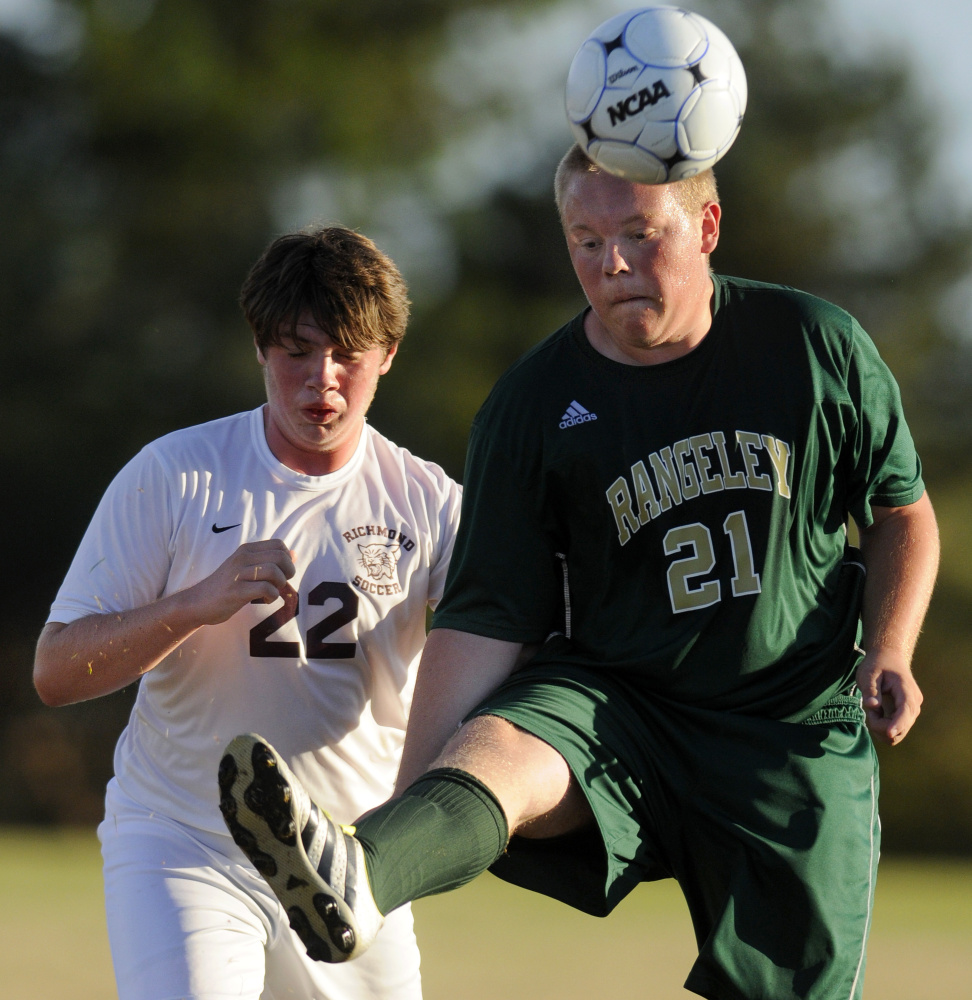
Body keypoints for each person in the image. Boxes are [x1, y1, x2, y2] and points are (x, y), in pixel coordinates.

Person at [219, 146, 940, 1000]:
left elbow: (901, 511)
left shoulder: (814, 345)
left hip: (789, 725)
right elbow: (487, 617)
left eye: (639, 233)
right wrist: (400, 829)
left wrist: (890, 648)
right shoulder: (533, 402)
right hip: (620, 703)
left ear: (707, 226)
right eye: (586, 240)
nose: (614, 263)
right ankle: (360, 875)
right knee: (515, 737)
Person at [33, 225, 462, 1000]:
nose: (321, 380)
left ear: (390, 353)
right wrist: (197, 604)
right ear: (261, 349)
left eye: (347, 352)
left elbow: (506, 659)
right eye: (297, 350)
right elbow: (57, 671)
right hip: (184, 841)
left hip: (351, 865)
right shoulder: (173, 475)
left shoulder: (431, 505)